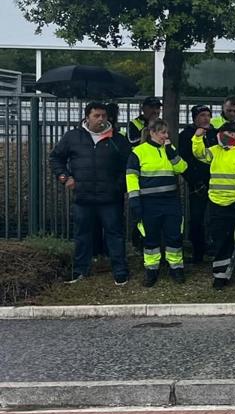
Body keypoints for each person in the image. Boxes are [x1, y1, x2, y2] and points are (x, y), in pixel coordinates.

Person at [50, 101, 132, 285]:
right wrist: (65, 177)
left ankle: (120, 271)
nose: (101, 119)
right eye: (97, 116)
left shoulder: (117, 139)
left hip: (110, 198)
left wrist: (120, 186)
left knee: (115, 234)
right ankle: (80, 270)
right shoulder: (73, 137)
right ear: (87, 116)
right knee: (82, 234)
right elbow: (56, 157)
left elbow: (129, 165)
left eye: (104, 115)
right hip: (83, 197)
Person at [192, 120, 235, 288]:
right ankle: (221, 274)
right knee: (221, 239)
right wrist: (198, 138)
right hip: (217, 202)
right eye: (221, 134)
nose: (222, 137)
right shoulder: (215, 151)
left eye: (226, 134)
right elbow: (199, 154)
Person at [126, 119, 187, 286]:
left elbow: (182, 168)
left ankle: (176, 269)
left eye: (167, 132)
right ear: (152, 132)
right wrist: (135, 200)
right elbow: (131, 177)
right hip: (148, 202)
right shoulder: (138, 152)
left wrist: (171, 152)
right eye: (163, 132)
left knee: (174, 236)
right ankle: (151, 271)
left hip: (170, 201)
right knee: (150, 239)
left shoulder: (170, 149)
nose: (166, 136)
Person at [178, 105, 215, 264]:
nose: (206, 118)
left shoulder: (215, 133)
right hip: (197, 184)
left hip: (216, 182)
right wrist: (194, 182)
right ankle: (198, 252)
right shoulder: (186, 135)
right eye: (202, 115)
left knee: (215, 218)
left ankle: (214, 248)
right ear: (194, 117)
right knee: (196, 218)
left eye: (208, 115)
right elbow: (184, 160)